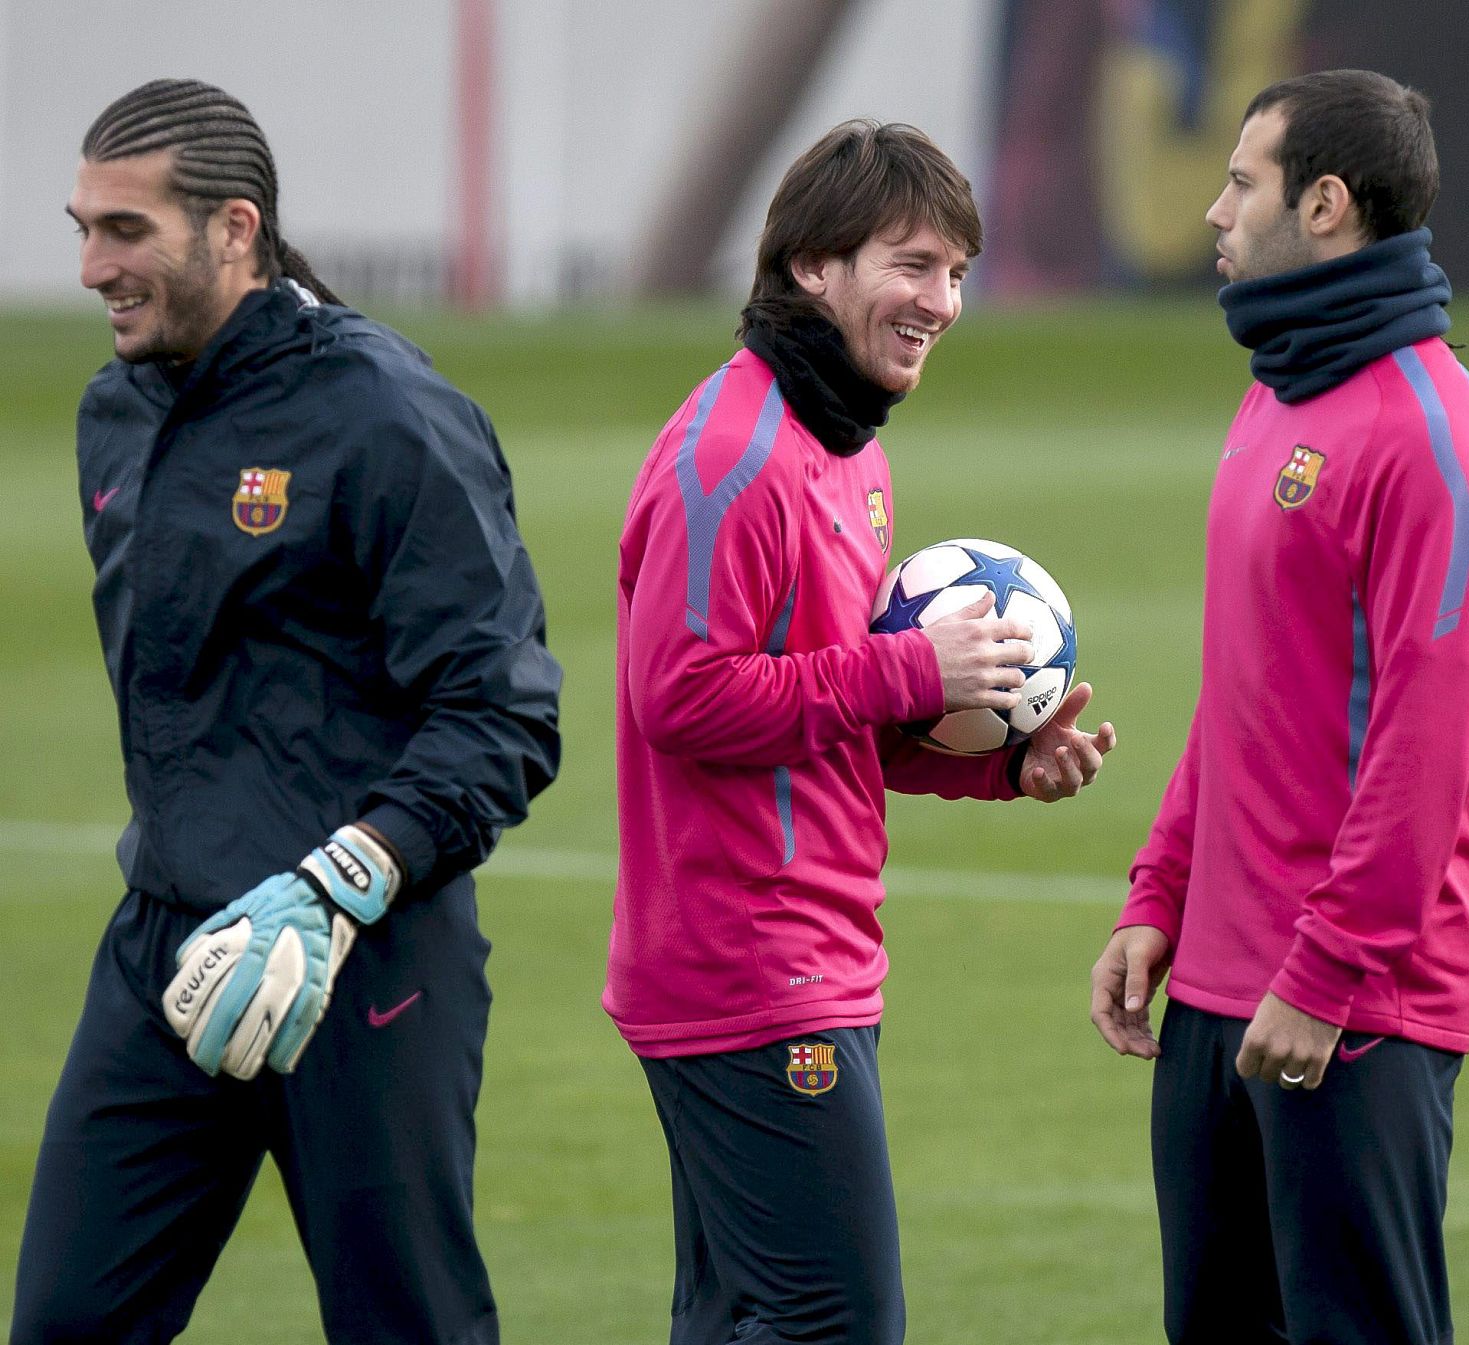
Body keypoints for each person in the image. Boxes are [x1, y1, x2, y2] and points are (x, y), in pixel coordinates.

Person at [11, 79, 561, 1345]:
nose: (93, 265)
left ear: (236, 230)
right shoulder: (116, 411)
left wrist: (337, 882)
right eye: (82, 225)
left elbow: (503, 712)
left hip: (367, 963)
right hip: (166, 948)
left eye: (126, 231)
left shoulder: (386, 415)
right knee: (62, 1322)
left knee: (406, 1327)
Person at [606, 119, 1116, 1345]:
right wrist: (907, 665)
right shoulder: (728, 459)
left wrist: (999, 764)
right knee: (837, 1324)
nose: (940, 300)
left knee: (743, 1318)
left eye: (954, 272)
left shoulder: (845, 451)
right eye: (911, 264)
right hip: (749, 967)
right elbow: (677, 696)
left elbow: (828, 711)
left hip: (808, 956)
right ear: (810, 268)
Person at [1090, 69, 1469, 1345]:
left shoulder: (1433, 436)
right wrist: (1159, 893)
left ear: (1325, 204)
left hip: (1350, 1011)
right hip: (1220, 992)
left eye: (1241, 182)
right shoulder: (1276, 390)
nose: (1213, 213)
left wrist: (1325, 972)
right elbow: (1242, 697)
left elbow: (1427, 746)